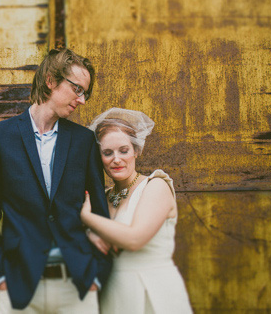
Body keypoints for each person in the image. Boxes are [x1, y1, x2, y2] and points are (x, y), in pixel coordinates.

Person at [0, 48, 112, 313]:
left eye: (85, 93)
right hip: (18, 285)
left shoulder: (84, 141)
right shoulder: (0, 136)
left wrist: (97, 275)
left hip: (77, 287)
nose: (81, 100)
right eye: (77, 89)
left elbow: (99, 208)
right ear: (50, 80)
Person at [81, 108, 192, 314]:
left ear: (136, 150)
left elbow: (134, 239)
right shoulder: (102, 198)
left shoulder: (155, 186)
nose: (116, 159)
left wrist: (87, 218)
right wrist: (89, 234)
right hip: (113, 295)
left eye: (123, 150)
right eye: (107, 153)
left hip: (154, 290)